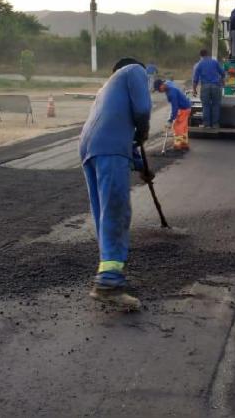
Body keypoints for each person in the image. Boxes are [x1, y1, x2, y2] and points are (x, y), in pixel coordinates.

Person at [79, 57, 153, 310]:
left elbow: (122, 137)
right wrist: (143, 130)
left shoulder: (106, 91)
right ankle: (109, 283)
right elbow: (142, 110)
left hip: (90, 147)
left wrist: (143, 169)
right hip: (108, 147)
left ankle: (108, 270)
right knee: (117, 211)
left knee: (103, 211)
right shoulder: (134, 70)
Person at [154, 78, 192, 151]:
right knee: (183, 127)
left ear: (162, 85)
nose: (159, 91)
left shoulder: (172, 93)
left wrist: (171, 119)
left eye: (158, 89)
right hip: (186, 107)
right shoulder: (168, 85)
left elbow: (175, 107)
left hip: (183, 109)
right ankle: (184, 144)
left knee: (177, 126)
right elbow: (168, 81)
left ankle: (177, 145)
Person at [191, 49, 225, 128]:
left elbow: (195, 79)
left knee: (206, 106)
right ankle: (215, 124)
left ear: (200, 56)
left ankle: (207, 124)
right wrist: (222, 80)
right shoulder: (214, 62)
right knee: (216, 105)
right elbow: (222, 72)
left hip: (205, 87)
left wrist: (194, 89)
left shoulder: (199, 64)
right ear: (208, 54)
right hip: (216, 86)